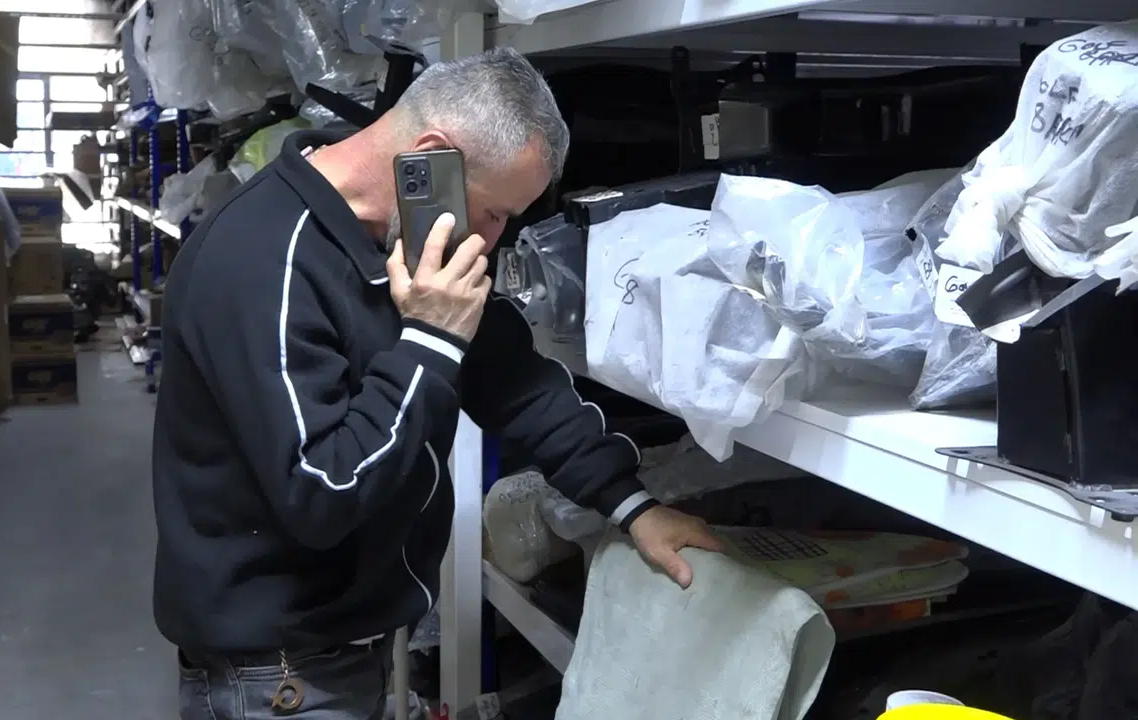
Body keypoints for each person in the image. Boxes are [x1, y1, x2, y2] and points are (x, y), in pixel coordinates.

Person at [152, 47, 722, 720]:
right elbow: (324, 491)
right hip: (277, 680)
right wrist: (430, 338)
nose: (495, 239)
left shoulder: (410, 238)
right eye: (494, 213)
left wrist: (635, 507)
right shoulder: (262, 261)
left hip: (346, 652)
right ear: (430, 160)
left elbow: (513, 383)